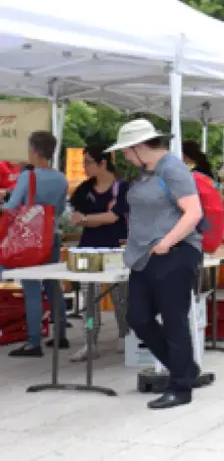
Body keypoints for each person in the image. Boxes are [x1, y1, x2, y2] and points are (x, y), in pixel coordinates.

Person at [109, 120, 205, 409]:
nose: (124, 156)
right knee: (138, 317)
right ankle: (184, 368)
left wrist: (166, 242)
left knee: (174, 319)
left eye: (126, 150)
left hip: (174, 253)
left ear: (139, 147)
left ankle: (181, 387)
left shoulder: (173, 169)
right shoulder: (146, 172)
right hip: (144, 256)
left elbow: (193, 212)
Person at [4, 132, 69, 358]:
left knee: (31, 287)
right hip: (51, 235)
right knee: (52, 284)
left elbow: (12, 207)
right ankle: (60, 334)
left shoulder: (28, 177)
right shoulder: (61, 178)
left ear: (34, 150)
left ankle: (33, 342)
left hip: (29, 240)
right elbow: (60, 210)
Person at [67, 144, 130, 362]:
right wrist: (85, 220)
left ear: (102, 163)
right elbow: (73, 215)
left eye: (88, 163)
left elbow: (113, 216)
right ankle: (90, 339)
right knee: (89, 297)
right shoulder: (84, 189)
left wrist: (86, 219)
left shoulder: (122, 188)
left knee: (119, 296)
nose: (84, 167)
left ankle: (124, 334)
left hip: (115, 249)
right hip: (87, 250)